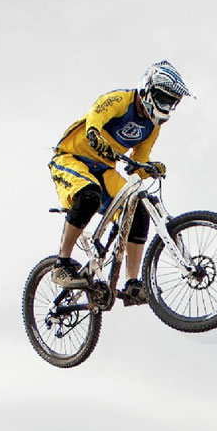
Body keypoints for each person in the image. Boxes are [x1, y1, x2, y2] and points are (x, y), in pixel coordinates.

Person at [49, 61, 191, 304]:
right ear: (147, 90)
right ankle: (61, 264)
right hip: (72, 158)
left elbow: (137, 161)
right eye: (162, 99)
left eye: (170, 102)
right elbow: (97, 113)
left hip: (104, 169)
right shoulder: (120, 100)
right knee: (89, 195)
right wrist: (93, 134)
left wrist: (150, 168)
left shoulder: (152, 126)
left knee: (139, 208)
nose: (165, 106)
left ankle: (133, 283)